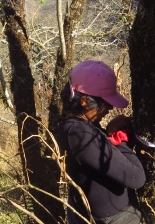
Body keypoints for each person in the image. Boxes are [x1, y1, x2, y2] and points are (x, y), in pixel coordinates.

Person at [57, 60, 146, 224]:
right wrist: (118, 140)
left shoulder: (78, 125)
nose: (110, 109)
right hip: (115, 219)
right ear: (84, 101)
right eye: (105, 103)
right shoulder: (79, 134)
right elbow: (136, 178)